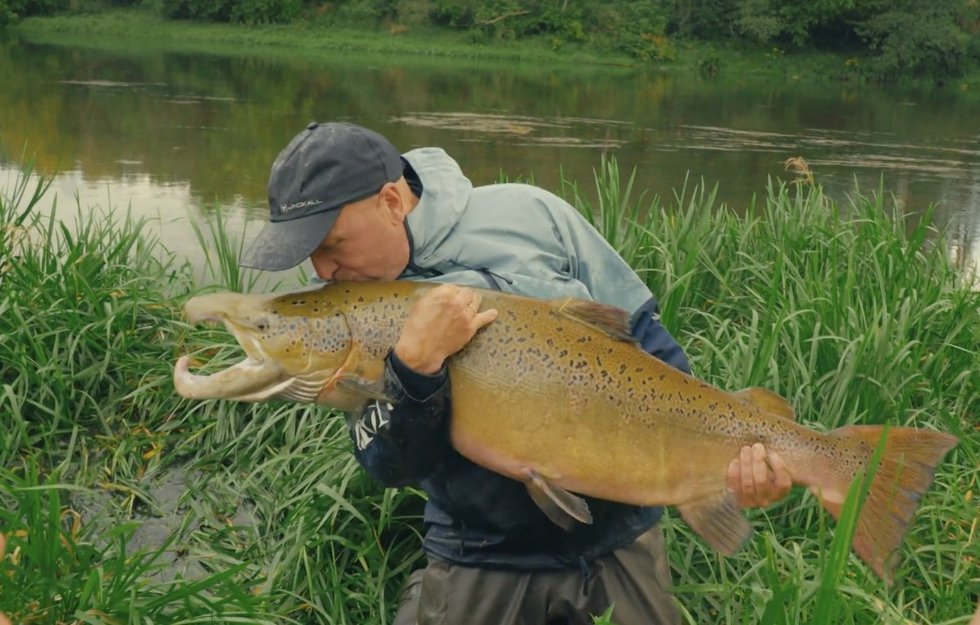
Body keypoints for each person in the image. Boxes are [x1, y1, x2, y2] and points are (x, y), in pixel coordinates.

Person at [240, 121, 792, 625]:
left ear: (390, 201)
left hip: (619, 542)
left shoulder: (532, 214)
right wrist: (413, 368)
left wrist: (731, 460)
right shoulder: (356, 310)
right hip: (481, 554)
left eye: (332, 244)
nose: (321, 271)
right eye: (310, 255)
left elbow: (652, 346)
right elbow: (388, 464)